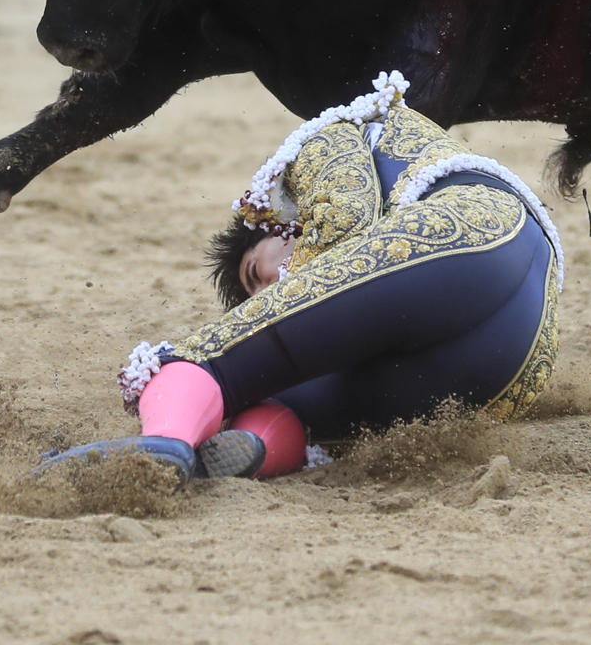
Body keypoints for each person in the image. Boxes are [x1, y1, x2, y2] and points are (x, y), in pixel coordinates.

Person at [42, 74, 564, 482]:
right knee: (291, 405)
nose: (271, 290)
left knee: (219, 359)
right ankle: (240, 456)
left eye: (255, 273)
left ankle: (164, 441)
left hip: (475, 234)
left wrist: (265, 328)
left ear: (273, 226)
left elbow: (347, 219)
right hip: (511, 365)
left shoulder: (322, 144)